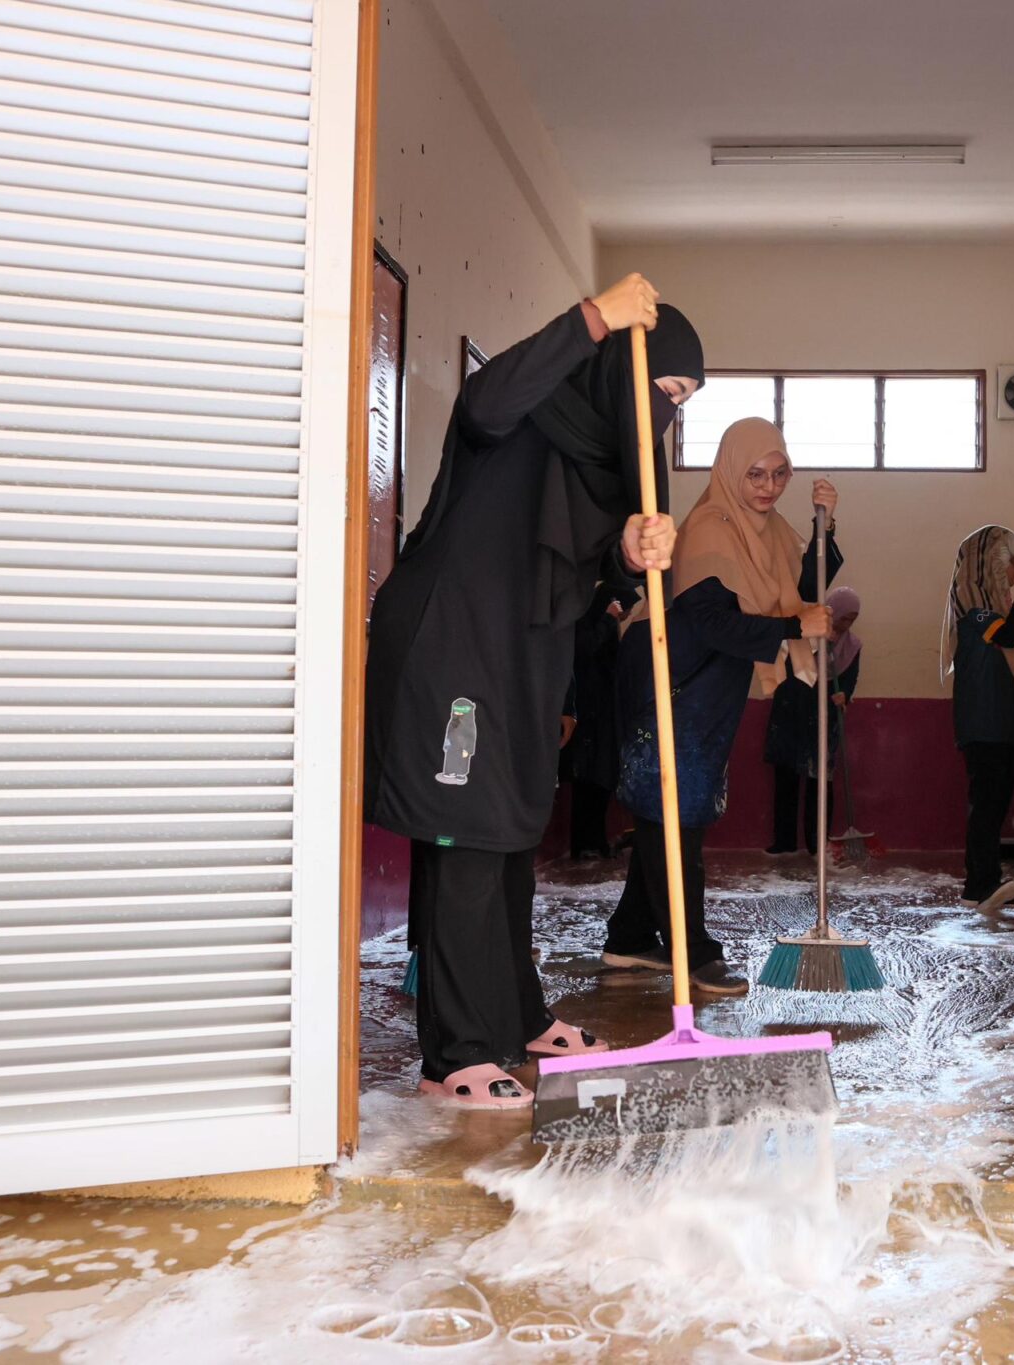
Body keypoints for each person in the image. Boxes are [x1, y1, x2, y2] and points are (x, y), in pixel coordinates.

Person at [364, 273, 703, 1108]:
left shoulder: (605, 464)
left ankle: (515, 1014)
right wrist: (592, 320)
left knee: (512, 834)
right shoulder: (526, 405)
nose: (668, 409)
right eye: (664, 387)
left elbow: (584, 578)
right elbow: (482, 403)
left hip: (523, 656)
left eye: (684, 399)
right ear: (619, 365)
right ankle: (455, 1053)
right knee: (465, 836)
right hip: (454, 643)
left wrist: (629, 551)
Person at [601, 418, 839, 994]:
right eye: (755, 474)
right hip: (670, 685)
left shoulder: (771, 529)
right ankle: (694, 954)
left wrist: (823, 525)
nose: (768, 486)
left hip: (707, 691)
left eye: (779, 473)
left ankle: (630, 938)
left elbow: (804, 580)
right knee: (671, 818)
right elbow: (711, 622)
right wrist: (791, 625)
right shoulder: (709, 526)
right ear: (731, 469)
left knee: (670, 814)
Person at [942, 526, 1014, 914]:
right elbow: (1009, 637)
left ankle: (987, 880)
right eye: (1007, 561)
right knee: (987, 804)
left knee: (996, 804)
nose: (1012, 568)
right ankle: (979, 884)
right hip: (985, 724)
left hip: (1003, 723)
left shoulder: (996, 609)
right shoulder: (974, 610)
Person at [764, 585, 862, 856]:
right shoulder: (804, 636)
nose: (846, 624)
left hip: (824, 718)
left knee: (820, 781)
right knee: (787, 778)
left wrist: (845, 694)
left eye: (852, 620)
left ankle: (816, 844)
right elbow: (787, 666)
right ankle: (783, 842)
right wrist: (820, 644)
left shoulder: (851, 647)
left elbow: (850, 680)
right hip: (792, 713)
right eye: (844, 617)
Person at [564, 573, 636, 860]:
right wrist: (608, 619)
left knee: (603, 777)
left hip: (602, 713)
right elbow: (583, 650)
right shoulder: (589, 621)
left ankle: (595, 839)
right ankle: (583, 842)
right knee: (587, 780)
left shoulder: (604, 624)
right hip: (588, 711)